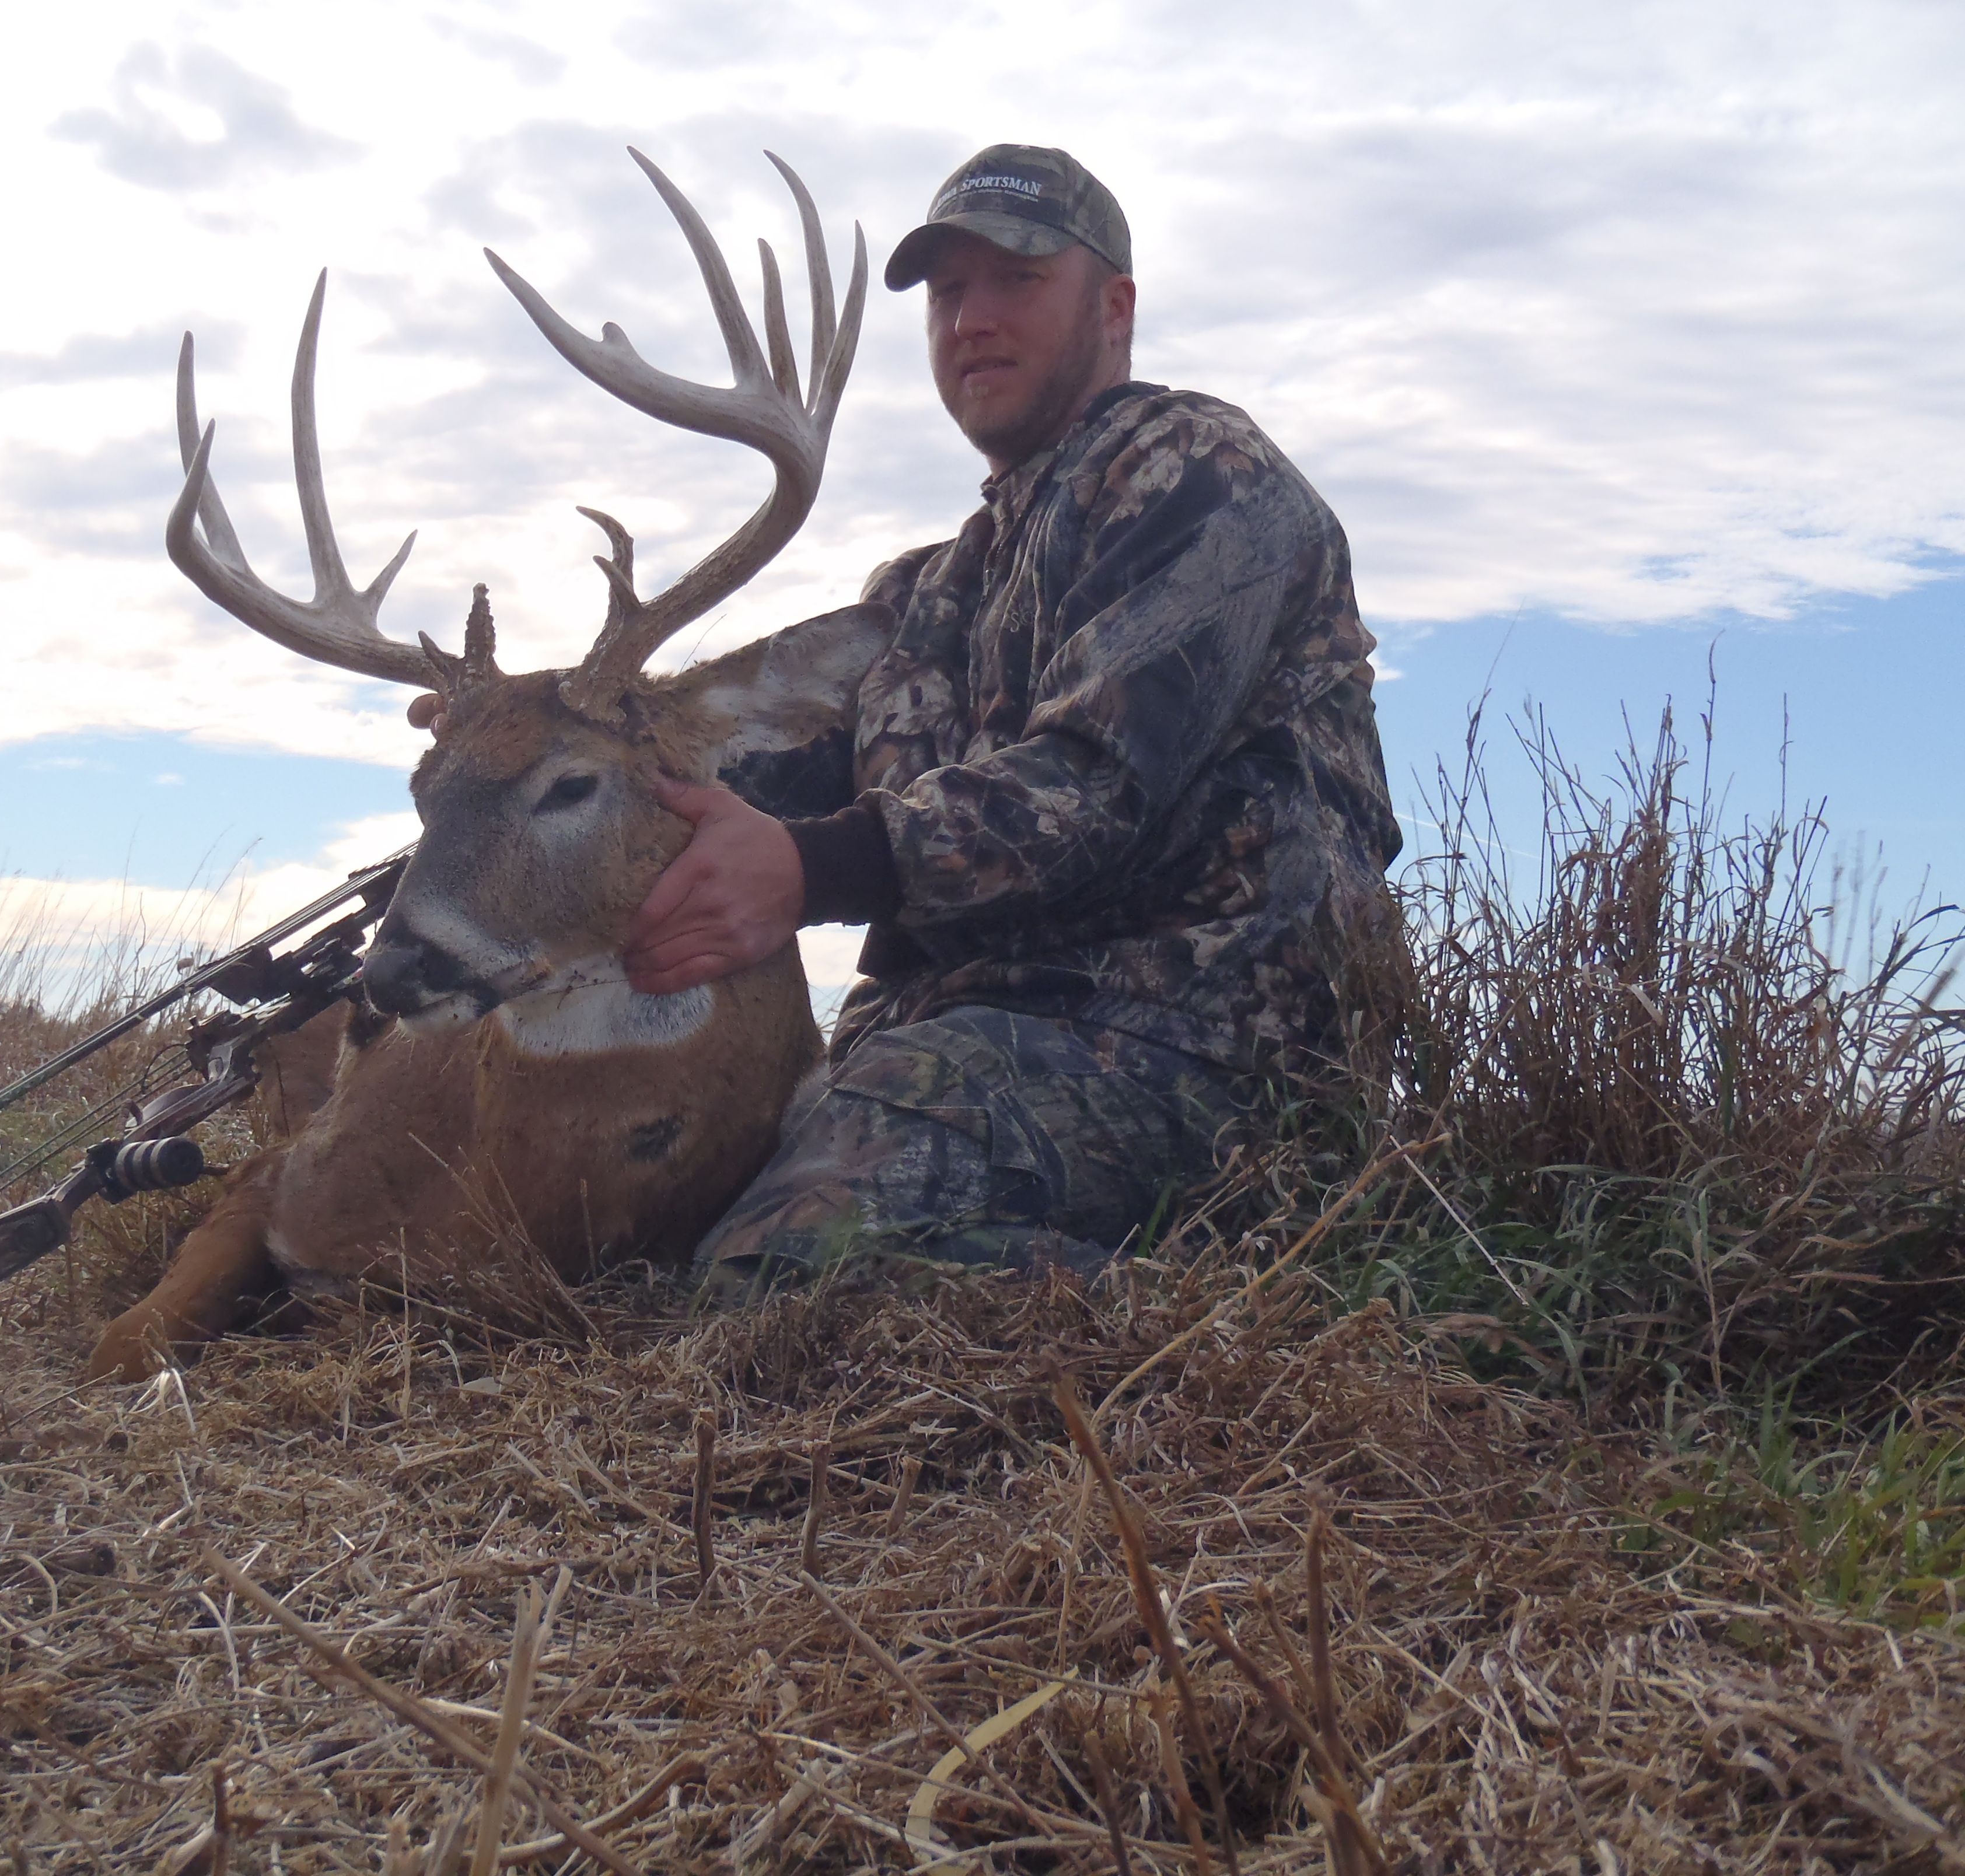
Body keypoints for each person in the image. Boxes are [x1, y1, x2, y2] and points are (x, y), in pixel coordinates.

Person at [445, 145, 1403, 1302]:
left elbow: (1087, 791)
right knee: (639, 1262)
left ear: (1114, 307)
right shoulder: (928, 589)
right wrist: (526, 769)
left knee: (779, 1270)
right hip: (959, 1050)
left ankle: (1264, 1307)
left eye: (1015, 281)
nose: (972, 320)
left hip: (1197, 1049)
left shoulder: (1198, 475)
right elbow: (738, 777)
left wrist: (806, 867)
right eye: (948, 293)